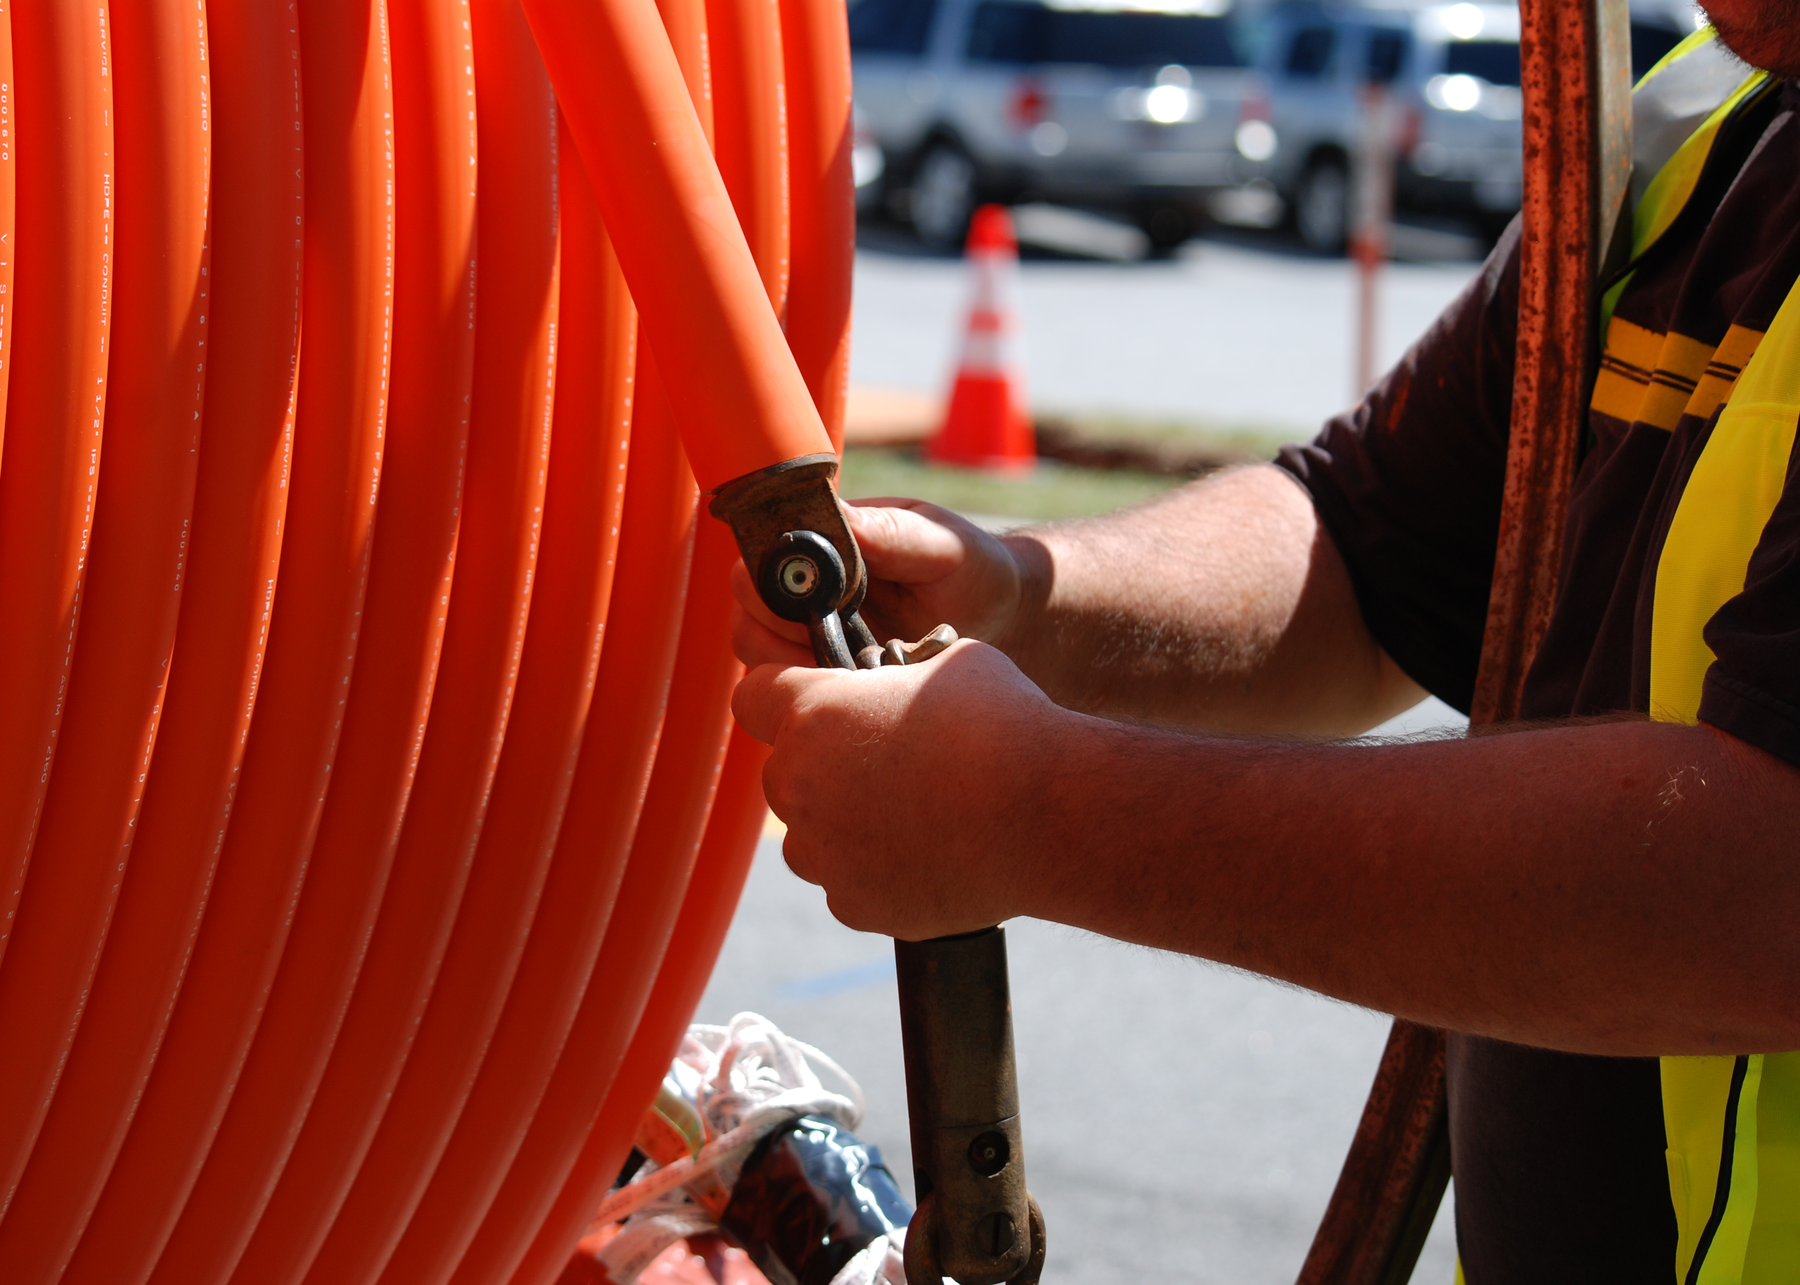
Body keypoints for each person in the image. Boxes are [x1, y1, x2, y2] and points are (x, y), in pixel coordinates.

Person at [729, 9, 1800, 1283]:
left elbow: (1759, 885)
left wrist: (1035, 809)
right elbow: (1364, 543)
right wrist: (1020, 590)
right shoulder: (1712, 125)